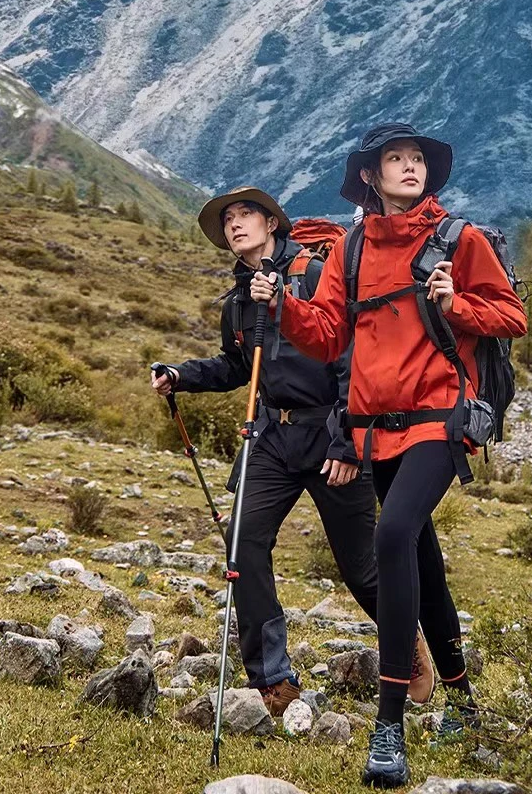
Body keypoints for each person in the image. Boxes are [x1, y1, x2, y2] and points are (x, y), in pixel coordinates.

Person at [250, 126, 528, 787]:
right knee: (422, 563)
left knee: (394, 535)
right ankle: (463, 699)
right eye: (395, 160)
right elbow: (325, 335)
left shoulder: (460, 241)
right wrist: (283, 305)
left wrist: (454, 304)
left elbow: (510, 315)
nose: (410, 167)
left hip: (440, 419)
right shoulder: (350, 249)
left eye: (418, 160)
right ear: (370, 177)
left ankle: (389, 724)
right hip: (378, 431)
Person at [151, 186, 433, 717]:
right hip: (271, 439)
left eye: (245, 215)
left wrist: (350, 440)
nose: (235, 225)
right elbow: (237, 366)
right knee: (242, 545)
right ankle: (273, 680)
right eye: (227, 219)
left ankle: (405, 642)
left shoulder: (314, 274)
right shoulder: (238, 298)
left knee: (362, 570)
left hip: (332, 435)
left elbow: (356, 358)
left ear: (272, 223)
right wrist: (180, 375)